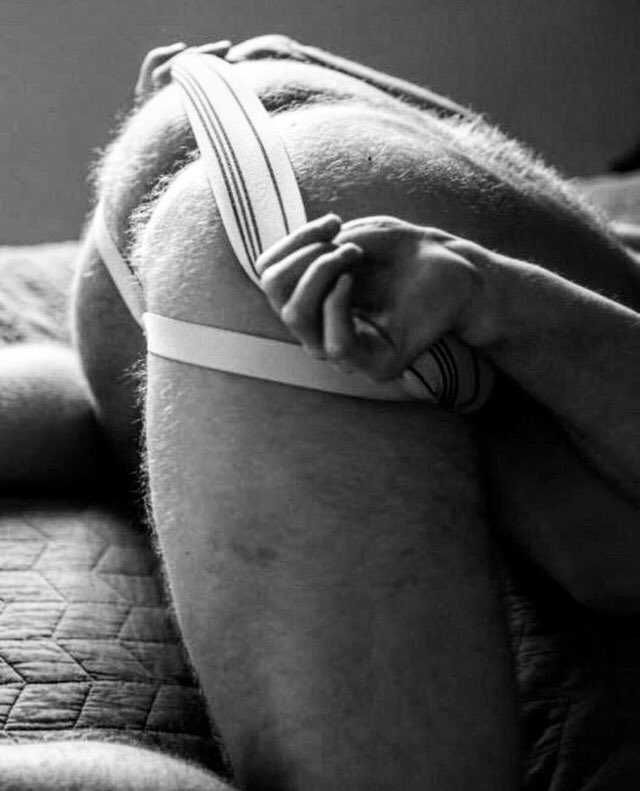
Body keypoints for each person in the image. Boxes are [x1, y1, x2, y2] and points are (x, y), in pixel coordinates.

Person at [2, 35, 640, 790]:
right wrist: (492, 293)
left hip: (234, 126)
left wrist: (300, 79)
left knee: (132, 429)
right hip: (309, 241)